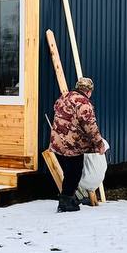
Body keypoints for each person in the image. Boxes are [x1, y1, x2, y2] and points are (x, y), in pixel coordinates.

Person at [49, 76, 106, 212]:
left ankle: (68, 198)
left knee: (68, 173)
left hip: (57, 143)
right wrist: (99, 144)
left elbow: (56, 109)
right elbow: (90, 127)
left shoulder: (64, 97)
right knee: (74, 173)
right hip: (72, 146)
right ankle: (65, 202)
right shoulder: (84, 103)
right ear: (89, 91)